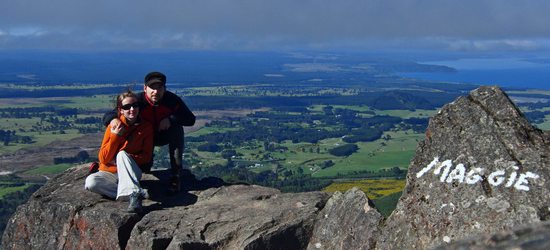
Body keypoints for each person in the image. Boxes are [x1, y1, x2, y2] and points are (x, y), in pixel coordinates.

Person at [103, 71, 196, 193]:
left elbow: (190, 119)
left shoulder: (172, 100)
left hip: (164, 134)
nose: (155, 92)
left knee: (177, 130)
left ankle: (176, 175)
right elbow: (110, 114)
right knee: (145, 169)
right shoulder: (138, 101)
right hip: (145, 138)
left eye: (159, 88)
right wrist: (113, 119)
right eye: (152, 88)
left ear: (164, 89)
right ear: (145, 88)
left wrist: (171, 119)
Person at [85, 90, 154, 213]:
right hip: (109, 172)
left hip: (131, 170)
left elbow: (146, 156)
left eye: (135, 105)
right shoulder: (113, 126)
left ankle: (131, 192)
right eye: (127, 107)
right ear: (120, 110)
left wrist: (125, 158)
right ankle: (135, 193)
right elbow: (103, 159)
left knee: (122, 155)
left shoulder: (146, 127)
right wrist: (114, 137)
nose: (132, 109)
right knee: (91, 183)